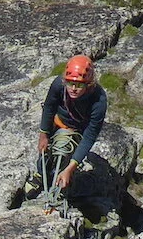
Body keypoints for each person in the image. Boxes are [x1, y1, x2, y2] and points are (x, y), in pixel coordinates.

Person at [23, 54, 108, 203]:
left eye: (79, 85)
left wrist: (70, 168)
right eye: (70, 83)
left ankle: (62, 182)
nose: (73, 89)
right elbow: (49, 107)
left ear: (88, 84)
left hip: (78, 130)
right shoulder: (59, 85)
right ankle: (41, 174)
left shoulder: (99, 100)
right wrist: (44, 134)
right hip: (58, 121)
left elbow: (90, 135)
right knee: (46, 150)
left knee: (64, 152)